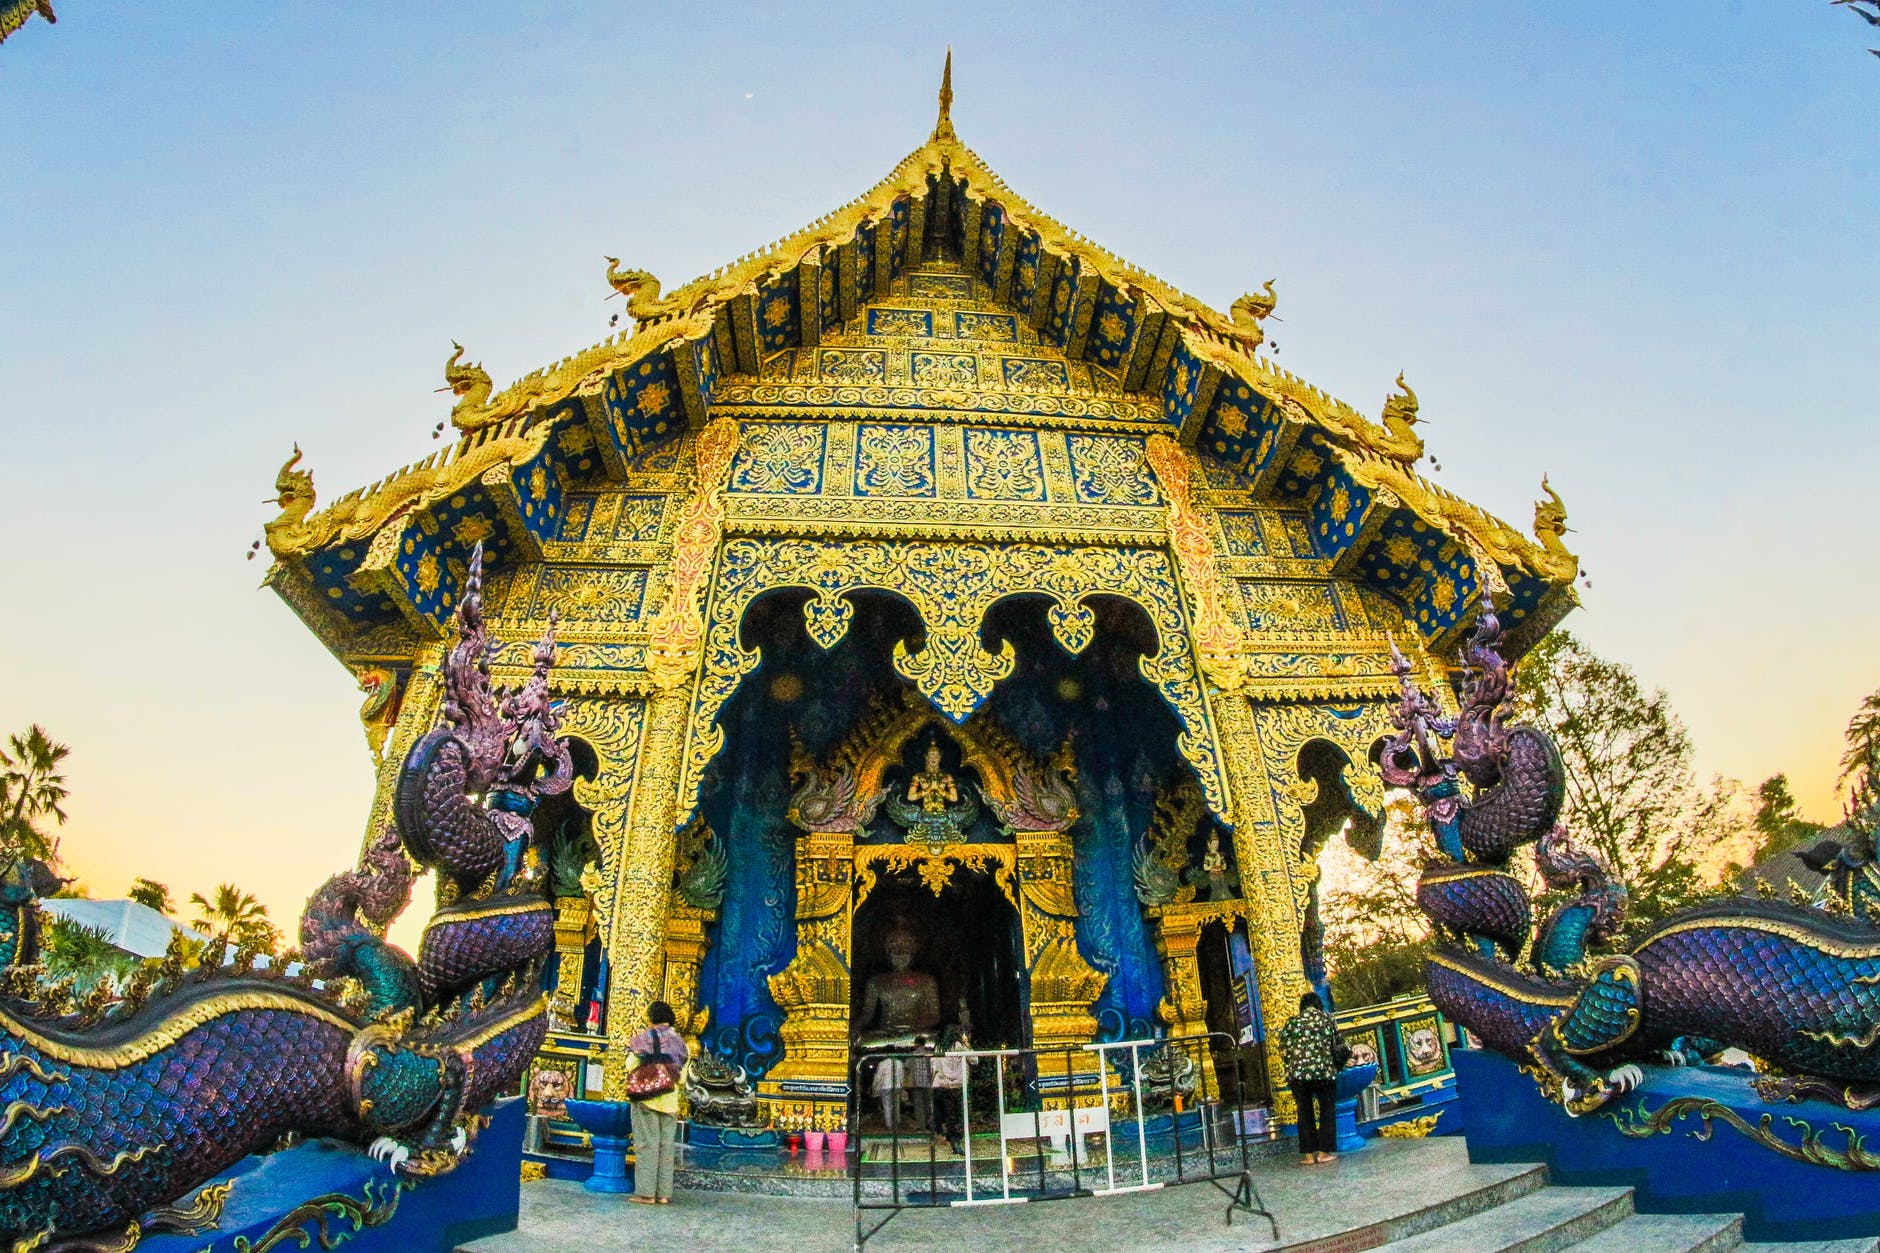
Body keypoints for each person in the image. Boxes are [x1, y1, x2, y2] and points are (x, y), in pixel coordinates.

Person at [624, 1000, 689, 1204]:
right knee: (666, 1147)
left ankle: (646, 1193)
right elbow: (684, 1077)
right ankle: (663, 1194)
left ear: (651, 1018)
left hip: (647, 1099)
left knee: (646, 1145)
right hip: (670, 1101)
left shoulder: (645, 1038)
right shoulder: (681, 1043)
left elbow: (630, 1065)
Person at [1278, 990, 1348, 1165]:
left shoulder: (1292, 1023)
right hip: (1324, 1072)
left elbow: (1284, 1050)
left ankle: (1309, 1155)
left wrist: (1294, 1067)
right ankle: (1324, 1153)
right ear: (1319, 1005)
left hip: (1298, 1075)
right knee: (1327, 1110)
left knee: (1304, 1112)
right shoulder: (1327, 1019)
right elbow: (1338, 1045)